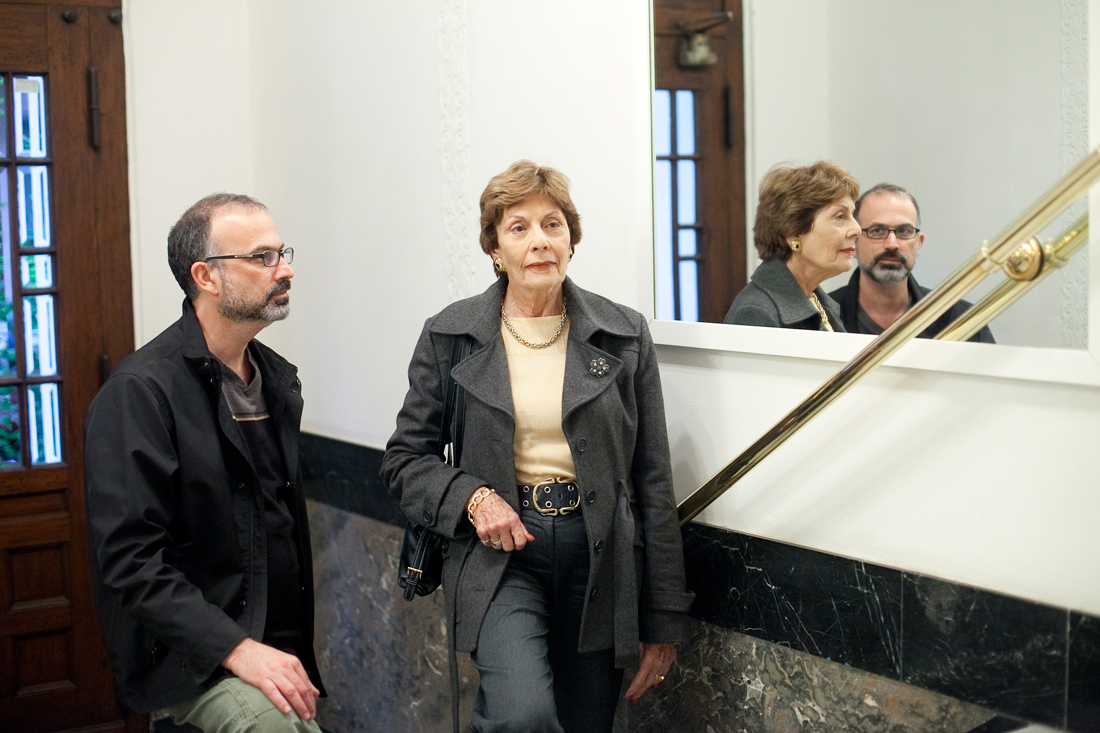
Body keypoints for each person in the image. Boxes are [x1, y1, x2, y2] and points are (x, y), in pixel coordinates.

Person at [382, 160, 694, 733]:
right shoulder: (450, 334)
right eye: (518, 227)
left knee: (585, 722)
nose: (539, 241)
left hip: (600, 553)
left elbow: (652, 479)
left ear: (571, 239)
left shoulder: (623, 335)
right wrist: (473, 498)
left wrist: (664, 617)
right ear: (495, 249)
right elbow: (405, 460)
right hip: (502, 554)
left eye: (553, 224)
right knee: (523, 713)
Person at [84, 193, 325, 732]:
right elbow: (130, 562)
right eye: (261, 257)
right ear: (207, 276)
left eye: (282, 253)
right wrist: (237, 647)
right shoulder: (139, 393)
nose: (283, 269)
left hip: (275, 646)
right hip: (193, 661)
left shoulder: (275, 379)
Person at [829, 183, 995, 342]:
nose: (892, 244)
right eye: (877, 231)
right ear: (854, 244)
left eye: (904, 231)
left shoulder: (963, 320)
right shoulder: (821, 318)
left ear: (919, 244)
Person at [723, 161, 859, 331]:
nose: (857, 229)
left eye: (852, 215)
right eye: (840, 216)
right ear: (793, 231)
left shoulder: (817, 300)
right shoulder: (756, 313)